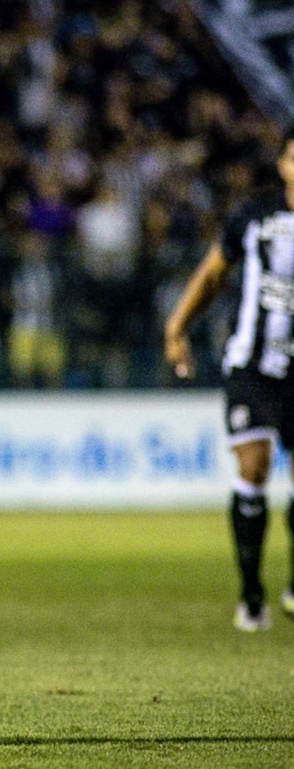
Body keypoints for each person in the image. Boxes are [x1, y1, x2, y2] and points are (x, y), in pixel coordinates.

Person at [165, 126, 294, 632]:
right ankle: (251, 593)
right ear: (282, 164)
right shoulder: (255, 215)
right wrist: (177, 327)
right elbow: (213, 274)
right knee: (254, 467)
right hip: (253, 366)